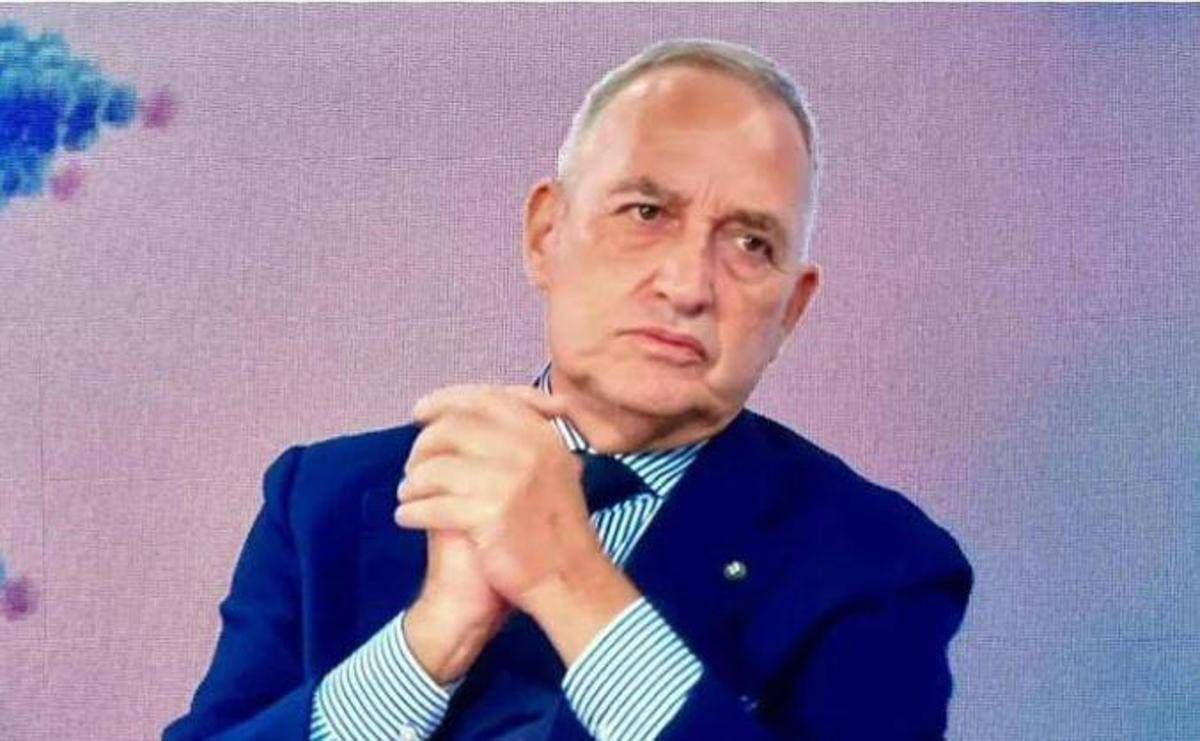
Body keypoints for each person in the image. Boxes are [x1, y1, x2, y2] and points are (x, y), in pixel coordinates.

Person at [165, 37, 974, 741]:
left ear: (791, 308)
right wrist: (426, 645)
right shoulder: (325, 500)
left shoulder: (881, 563)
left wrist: (572, 583)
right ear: (545, 234)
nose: (687, 284)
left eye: (751, 244)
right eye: (647, 212)